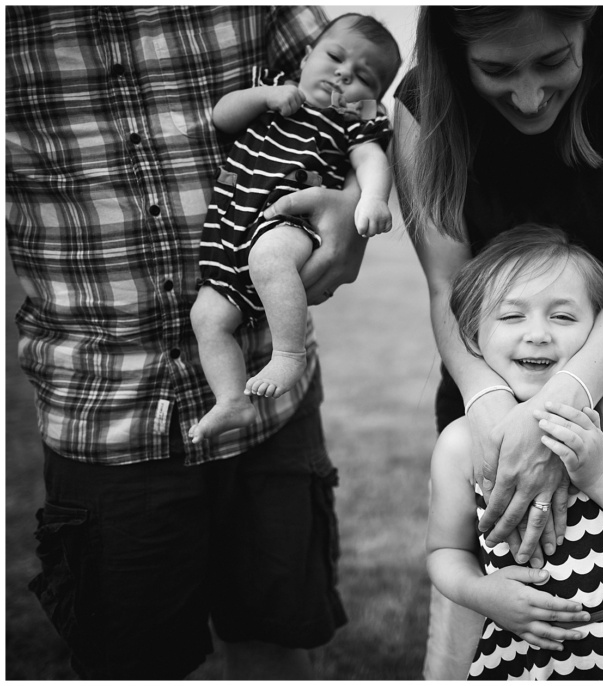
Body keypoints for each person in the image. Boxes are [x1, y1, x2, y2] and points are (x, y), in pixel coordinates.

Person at [6, 7, 366, 679]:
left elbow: (351, 70)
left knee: (278, 646)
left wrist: (352, 204)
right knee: (133, 664)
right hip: (103, 404)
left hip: (270, 394)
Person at [392, 6, 603, 680]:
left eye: (551, 61)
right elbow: (446, 285)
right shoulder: (423, 103)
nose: (527, 95)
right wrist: (492, 410)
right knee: (454, 664)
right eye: (495, 69)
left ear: (588, 22)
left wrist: (561, 415)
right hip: (486, 407)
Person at [427, 224, 603, 679]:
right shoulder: (462, 443)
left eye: (563, 317)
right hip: (523, 660)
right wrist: (480, 593)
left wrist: (601, 475)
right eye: (511, 316)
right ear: (472, 333)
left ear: (599, 328)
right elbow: (445, 550)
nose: (538, 334)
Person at [188, 13, 401, 443]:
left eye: (363, 77)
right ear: (306, 57)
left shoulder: (350, 119)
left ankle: (288, 354)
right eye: (335, 57)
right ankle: (231, 400)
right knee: (207, 317)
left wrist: (373, 199)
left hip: (288, 222)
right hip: (228, 232)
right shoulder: (272, 88)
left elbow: (371, 160)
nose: (344, 74)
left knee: (269, 258)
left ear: (374, 97)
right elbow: (222, 117)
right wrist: (265, 96)